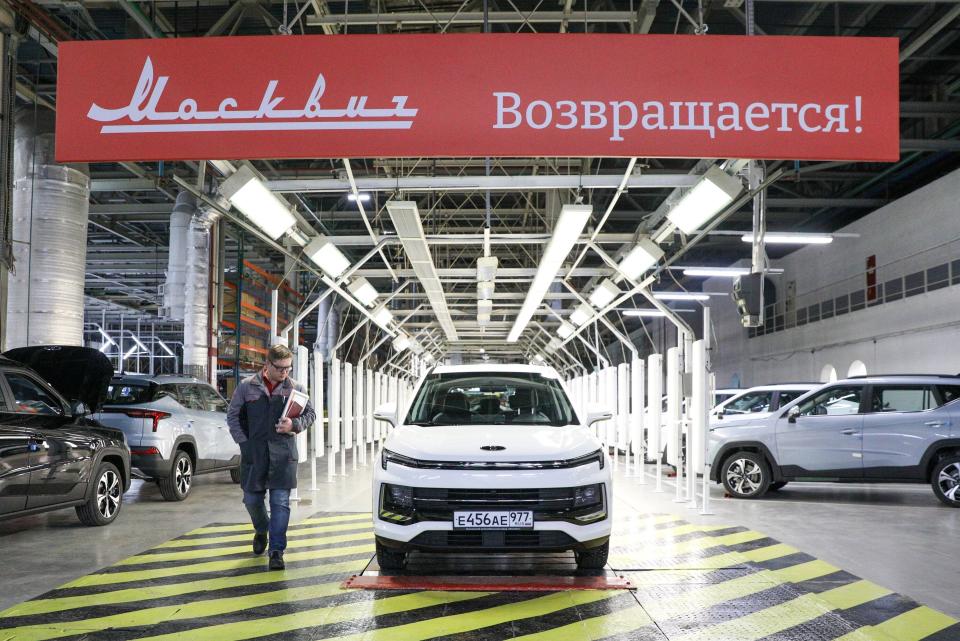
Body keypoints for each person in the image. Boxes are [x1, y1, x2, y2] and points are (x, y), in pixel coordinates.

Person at [227, 344, 316, 570]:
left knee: (280, 502)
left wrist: (294, 424)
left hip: (283, 455)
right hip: (254, 454)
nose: (285, 373)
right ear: (266, 365)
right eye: (280, 368)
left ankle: (276, 551)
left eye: (288, 368)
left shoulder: (296, 389)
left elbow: (310, 414)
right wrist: (243, 443)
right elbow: (233, 415)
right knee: (251, 500)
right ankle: (261, 529)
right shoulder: (247, 387)